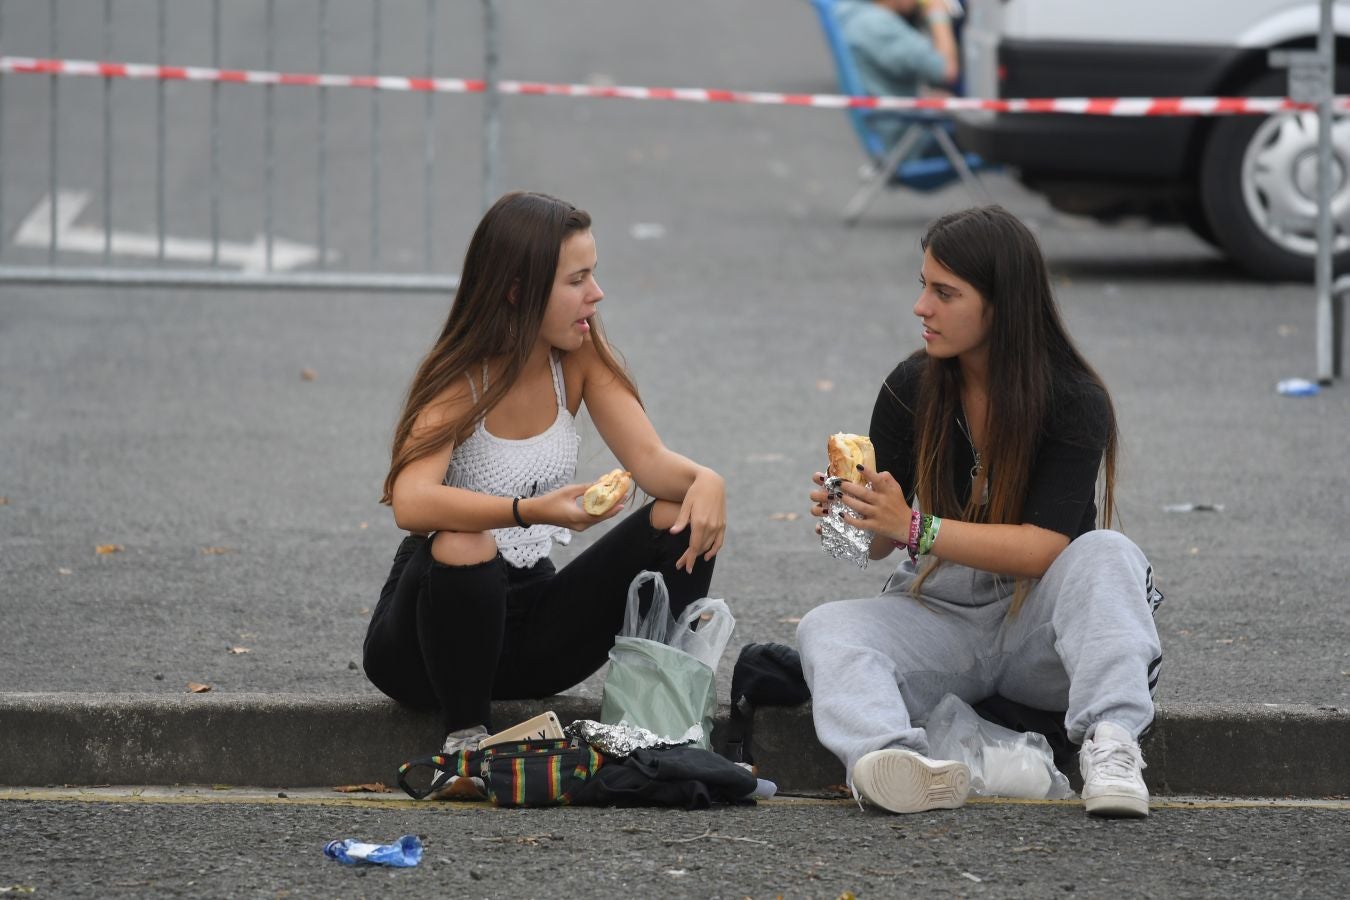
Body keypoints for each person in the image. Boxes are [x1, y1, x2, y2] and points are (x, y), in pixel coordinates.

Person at [800, 205, 1163, 818]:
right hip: (943, 614)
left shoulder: (1074, 398)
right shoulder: (910, 387)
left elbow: (1046, 546)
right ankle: (892, 760)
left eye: (945, 292)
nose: (922, 307)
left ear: (1002, 305)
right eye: (923, 286)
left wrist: (914, 526)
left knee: (1108, 554)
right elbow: (881, 545)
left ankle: (1112, 744)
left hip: (1041, 627)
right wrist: (854, 516)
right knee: (827, 627)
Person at [363, 191, 726, 795]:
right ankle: (466, 740)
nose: (597, 293)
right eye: (578, 279)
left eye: (594, 274)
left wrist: (708, 481)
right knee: (463, 539)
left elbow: (653, 463)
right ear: (517, 289)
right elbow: (412, 502)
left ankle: (661, 722)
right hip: (430, 638)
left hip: (531, 624)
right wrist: (527, 510)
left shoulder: (577, 358)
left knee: (679, 516)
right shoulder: (462, 377)